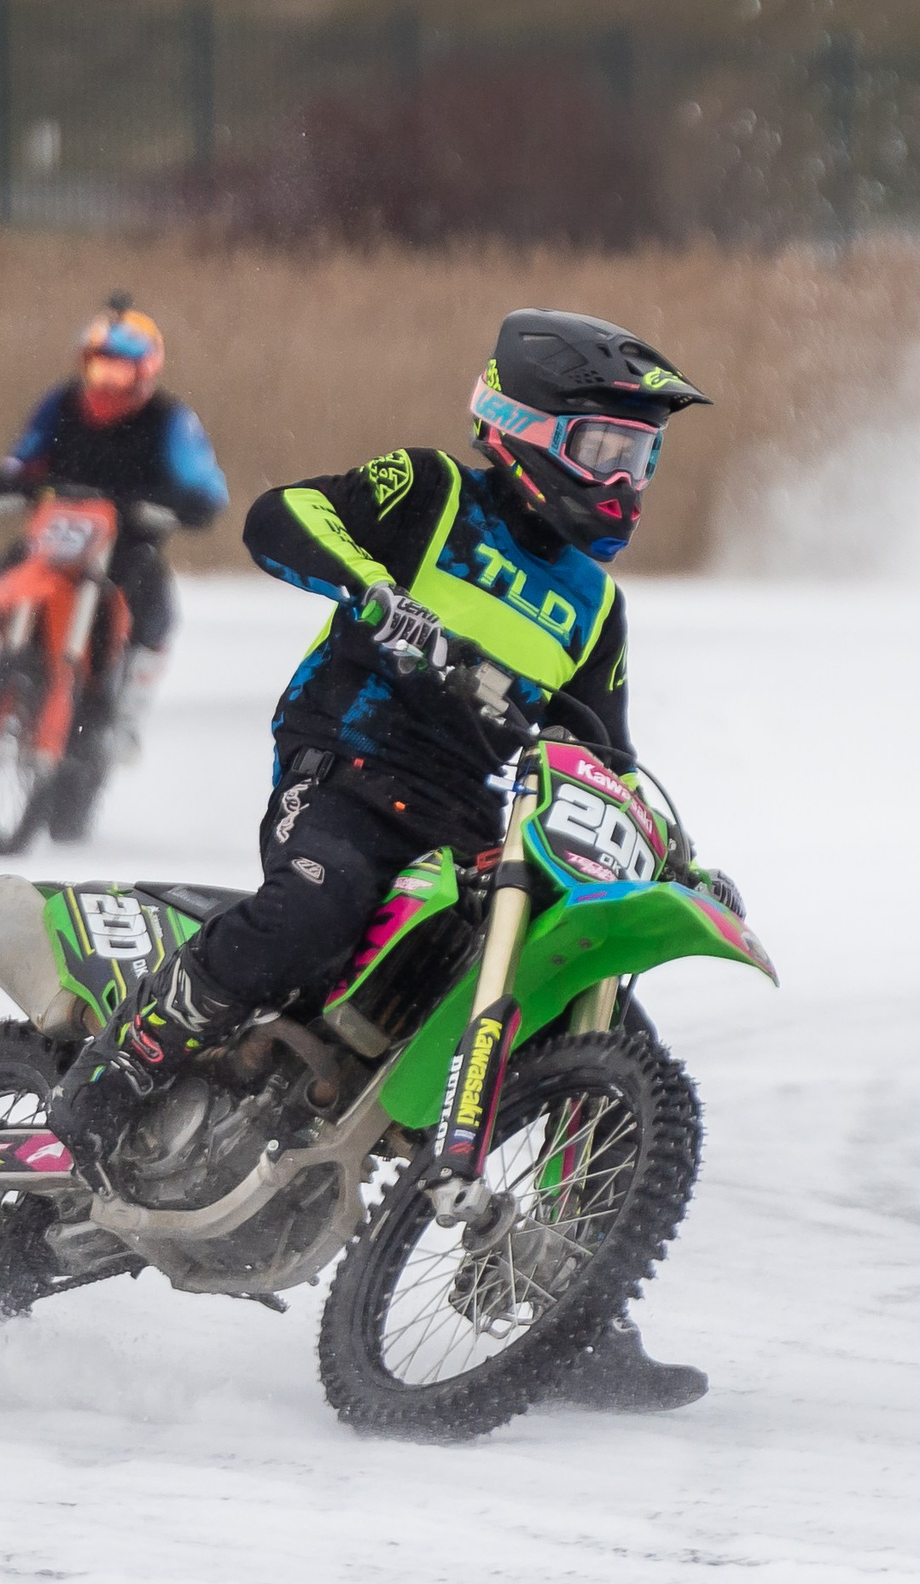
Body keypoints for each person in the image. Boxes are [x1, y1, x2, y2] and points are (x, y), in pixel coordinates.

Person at [45, 308, 720, 1410]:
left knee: (603, 1019)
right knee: (321, 905)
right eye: (605, 448)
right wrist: (377, 595)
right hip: (346, 767)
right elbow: (282, 517)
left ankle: (579, 1305)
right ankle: (126, 1060)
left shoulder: (596, 609)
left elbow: (606, 756)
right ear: (521, 428)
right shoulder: (430, 493)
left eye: (641, 455)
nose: (627, 477)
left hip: (468, 830)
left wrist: (675, 865)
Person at [0, 293, 228, 780]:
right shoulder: (60, 404)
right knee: (1, 578)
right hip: (54, 537)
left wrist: (186, 502)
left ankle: (126, 714)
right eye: (97, 368)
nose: (105, 382)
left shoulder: (170, 420)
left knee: (155, 609)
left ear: (145, 372)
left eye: (119, 371)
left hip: (125, 544)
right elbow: (25, 458)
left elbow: (204, 482)